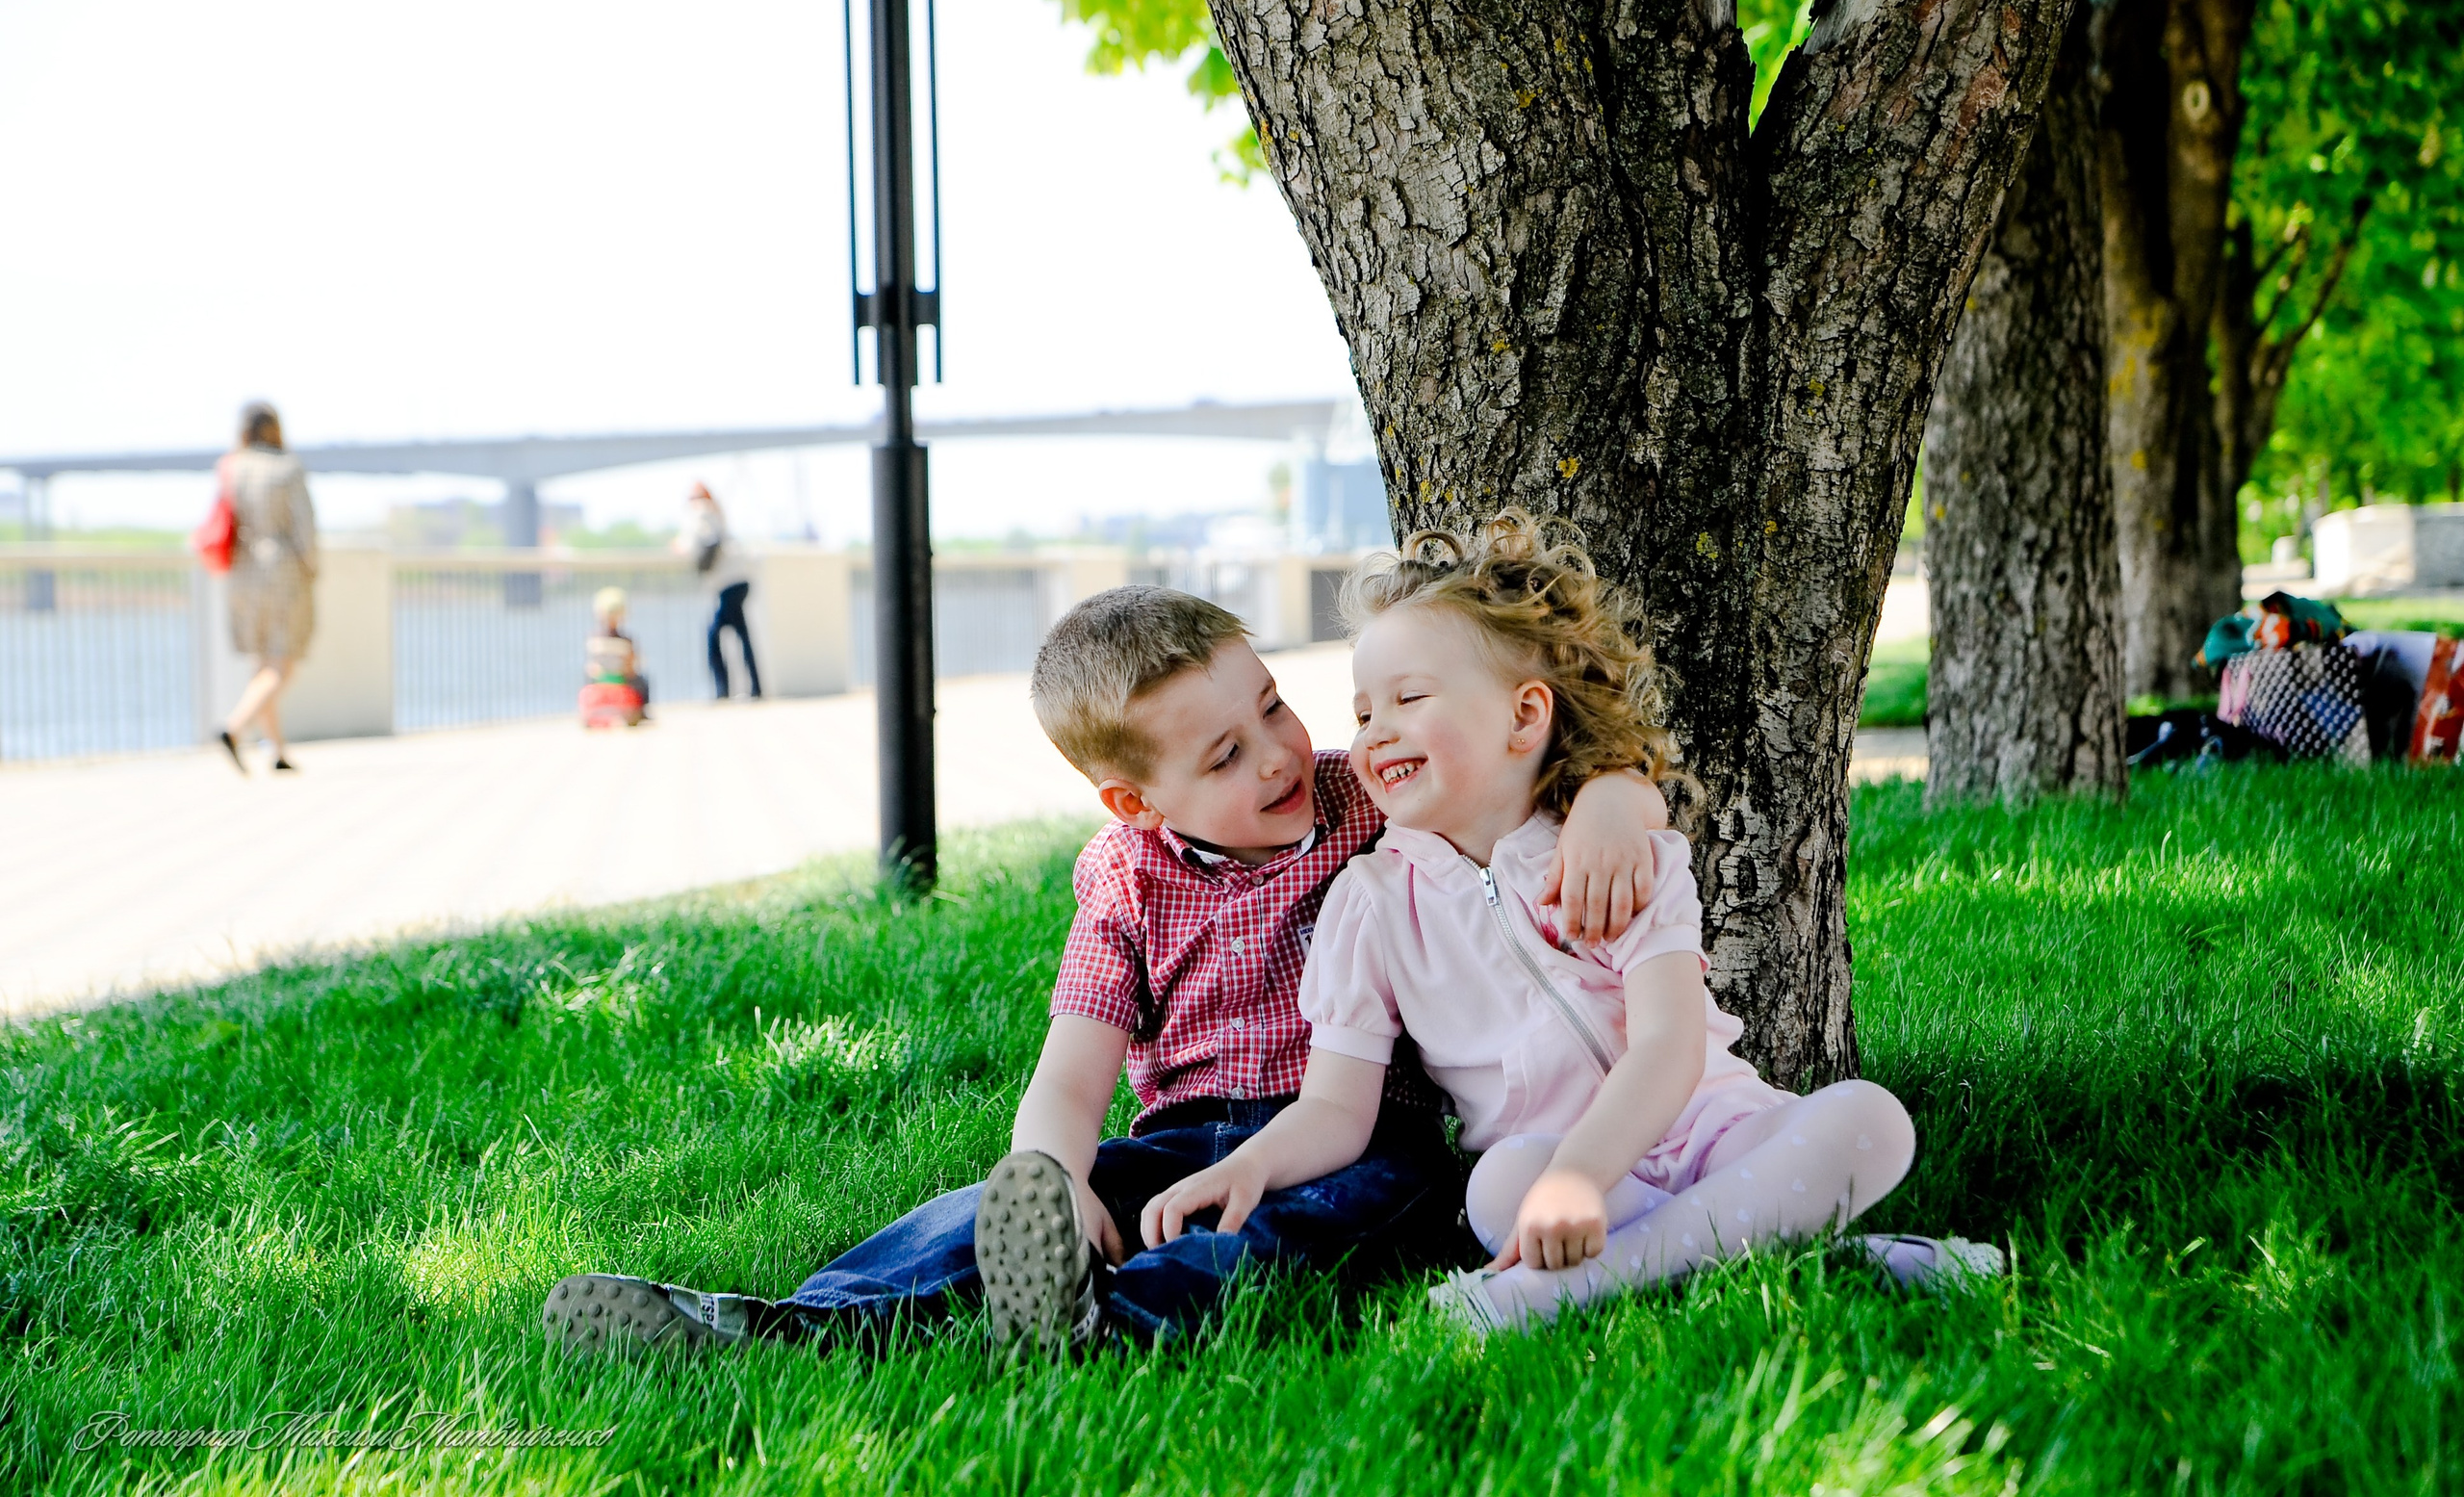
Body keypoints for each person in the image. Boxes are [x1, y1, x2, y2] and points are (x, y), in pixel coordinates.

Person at [540, 584, 1673, 1355]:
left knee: (1302, 1227)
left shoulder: (1358, 798)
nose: (1276, 754)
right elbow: (1072, 1076)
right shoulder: (1124, 882)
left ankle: (1106, 1322)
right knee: (986, 1211)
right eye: (1224, 755)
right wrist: (1060, 1175)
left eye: (1272, 705)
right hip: (1181, 1138)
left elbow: (1520, 771)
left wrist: (1616, 798)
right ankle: (802, 1320)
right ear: (1135, 800)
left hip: (1363, 1127)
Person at [1141, 511, 2000, 1339]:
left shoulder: (1617, 852)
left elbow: (1669, 1044)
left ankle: (1570, 1286)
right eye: (1365, 713)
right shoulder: (1369, 902)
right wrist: (1249, 1163)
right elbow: (1335, 1105)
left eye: (1409, 698)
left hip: (1719, 1133)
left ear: (1525, 716)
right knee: (1496, 1188)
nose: (1375, 735)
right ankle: (1824, 1254)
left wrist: (1584, 1179)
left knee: (1870, 1119)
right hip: (1541, 1160)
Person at [216, 401, 318, 775]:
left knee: (261, 663)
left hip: (244, 572)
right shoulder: (287, 467)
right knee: (281, 663)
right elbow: (305, 528)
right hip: (282, 570)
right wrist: (312, 569)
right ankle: (235, 728)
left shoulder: (232, 468)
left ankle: (277, 751)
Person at [680, 482, 759, 700]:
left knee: (714, 636)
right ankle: (754, 687)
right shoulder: (717, 513)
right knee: (741, 635)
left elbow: (697, 541)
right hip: (739, 580)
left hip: (728, 583)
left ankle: (723, 690)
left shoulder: (701, 512)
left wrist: (682, 546)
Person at [580, 585, 650, 725]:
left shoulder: (594, 638)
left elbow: (592, 664)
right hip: (622, 678)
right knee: (643, 682)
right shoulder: (625, 640)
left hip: (600, 678)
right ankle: (642, 711)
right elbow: (631, 665)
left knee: (587, 678)